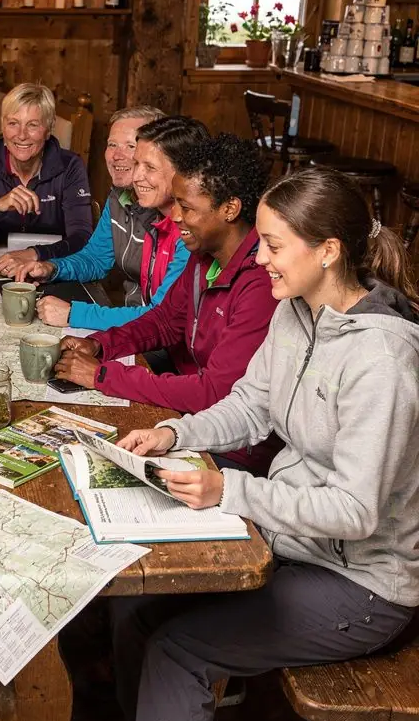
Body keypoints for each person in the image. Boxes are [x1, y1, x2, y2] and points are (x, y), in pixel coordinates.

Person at [23, 166, 419, 721]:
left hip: (365, 585)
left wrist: (228, 487)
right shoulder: (298, 311)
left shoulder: (385, 361)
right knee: (138, 602)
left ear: (329, 250)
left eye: (274, 246)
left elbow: (356, 512)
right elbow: (253, 404)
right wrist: (177, 436)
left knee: (182, 644)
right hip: (301, 543)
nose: (260, 261)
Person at [54, 133, 277, 473]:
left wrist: (101, 375)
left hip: (230, 451)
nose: (174, 217)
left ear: (230, 209)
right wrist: (99, 344)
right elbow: (164, 321)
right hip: (179, 419)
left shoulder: (260, 284)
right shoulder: (204, 256)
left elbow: (214, 392)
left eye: (186, 207)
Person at [24, 114, 205, 331]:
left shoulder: (188, 229)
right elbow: (96, 258)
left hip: (164, 341)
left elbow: (162, 317)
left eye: (149, 166)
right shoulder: (155, 216)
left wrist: (75, 314)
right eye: (112, 145)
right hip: (143, 327)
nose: (136, 175)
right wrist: (53, 268)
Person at [0, 82, 93, 276]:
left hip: (50, 270)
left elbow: (83, 239)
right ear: (3, 127)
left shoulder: (70, 166)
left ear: (48, 129)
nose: (21, 135)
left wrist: (34, 254)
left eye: (33, 125)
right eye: (13, 123)